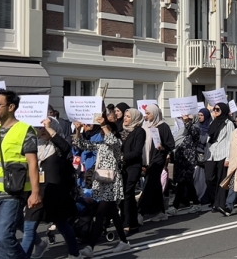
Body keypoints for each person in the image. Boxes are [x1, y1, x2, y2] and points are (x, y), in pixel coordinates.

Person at [0, 89, 41, 259]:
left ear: (11, 107)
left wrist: (35, 192)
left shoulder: (25, 130)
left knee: (4, 237)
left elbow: (33, 162)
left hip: (12, 191)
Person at [22, 117, 80, 259]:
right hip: (36, 192)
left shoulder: (58, 148)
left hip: (55, 194)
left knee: (63, 226)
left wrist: (49, 127)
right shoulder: (34, 146)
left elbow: (66, 147)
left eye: (45, 127)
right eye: (40, 127)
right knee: (29, 229)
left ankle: (74, 254)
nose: (42, 130)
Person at [73, 116, 130, 257]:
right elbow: (81, 144)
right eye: (103, 132)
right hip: (101, 182)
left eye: (106, 131)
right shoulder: (101, 144)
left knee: (100, 214)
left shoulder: (116, 142)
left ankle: (90, 247)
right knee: (113, 214)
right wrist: (79, 130)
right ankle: (124, 241)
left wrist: (104, 124)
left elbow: (111, 140)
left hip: (111, 182)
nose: (104, 134)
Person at [138, 104, 174, 222]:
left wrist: (162, 148)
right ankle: (160, 212)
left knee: (149, 184)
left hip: (158, 159)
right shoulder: (146, 126)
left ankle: (140, 212)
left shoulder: (163, 126)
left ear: (155, 113)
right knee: (156, 185)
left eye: (148, 113)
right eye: (146, 113)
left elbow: (170, 144)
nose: (146, 115)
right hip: (148, 159)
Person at [167, 115, 202, 215]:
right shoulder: (181, 129)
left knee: (183, 182)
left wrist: (188, 121)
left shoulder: (195, 128)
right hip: (180, 158)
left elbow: (193, 133)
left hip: (189, 159)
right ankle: (196, 203)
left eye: (189, 119)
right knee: (187, 182)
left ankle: (175, 206)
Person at [204, 103, 235, 212]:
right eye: (214, 109)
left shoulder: (229, 123)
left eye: (217, 109)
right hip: (211, 154)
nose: (215, 111)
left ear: (224, 110)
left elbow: (231, 141)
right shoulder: (213, 122)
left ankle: (220, 203)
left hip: (222, 154)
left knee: (221, 179)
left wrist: (228, 158)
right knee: (209, 178)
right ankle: (214, 200)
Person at [120, 108, 146, 234]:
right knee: (125, 195)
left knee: (128, 193)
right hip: (123, 167)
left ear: (135, 118)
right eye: (125, 116)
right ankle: (132, 223)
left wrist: (123, 157)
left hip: (133, 167)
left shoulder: (139, 131)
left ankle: (128, 224)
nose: (125, 118)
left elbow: (137, 152)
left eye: (128, 116)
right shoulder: (124, 132)